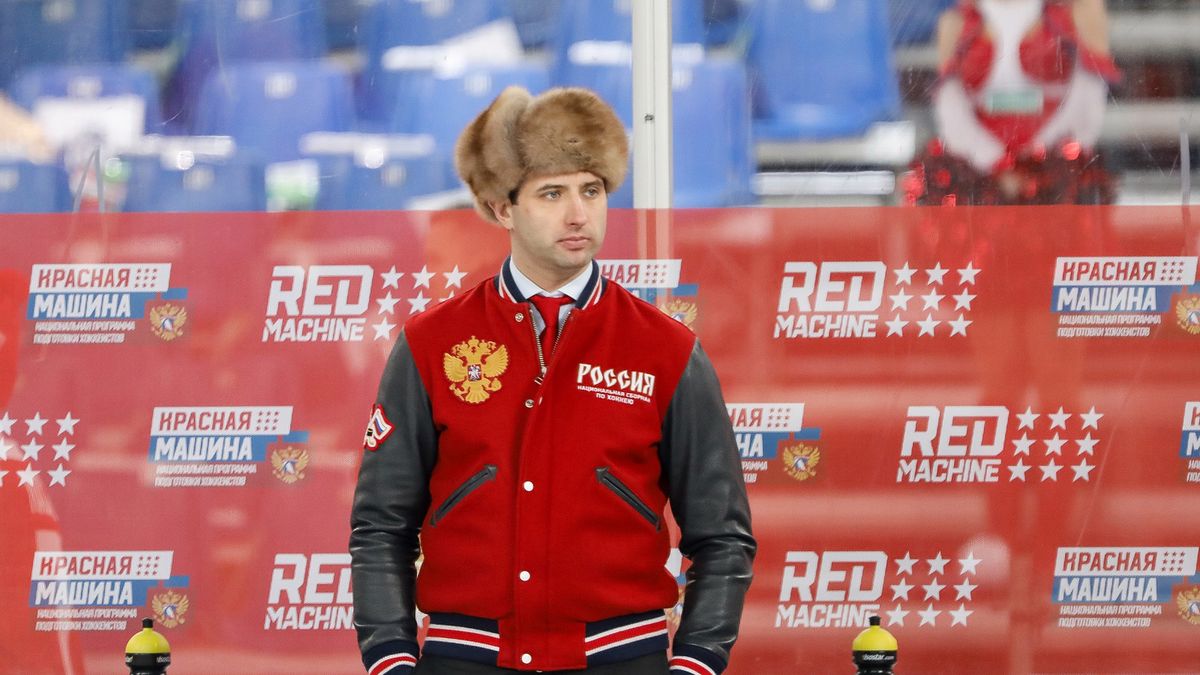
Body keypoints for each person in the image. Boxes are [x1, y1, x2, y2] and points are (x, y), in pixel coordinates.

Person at [349, 86, 755, 675]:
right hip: (466, 657)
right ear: (501, 207)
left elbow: (722, 536)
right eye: (552, 193)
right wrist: (389, 658)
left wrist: (696, 661)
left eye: (591, 190)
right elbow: (381, 524)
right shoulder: (430, 344)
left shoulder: (667, 350)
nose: (578, 213)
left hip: (622, 656)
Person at [905, 0, 1120, 205]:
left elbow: (1088, 98)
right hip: (978, 171)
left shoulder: (1080, 11)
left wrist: (1038, 160)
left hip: (1055, 168)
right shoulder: (955, 20)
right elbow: (950, 107)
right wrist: (995, 162)